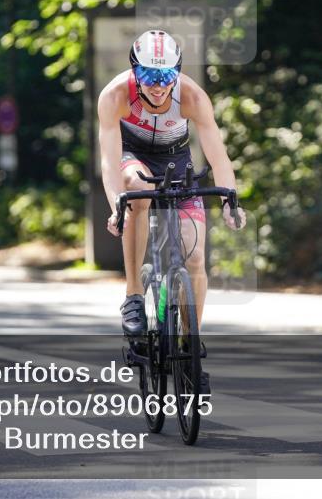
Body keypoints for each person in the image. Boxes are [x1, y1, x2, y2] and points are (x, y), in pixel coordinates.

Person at [97, 29, 245, 391]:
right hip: (132, 157)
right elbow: (110, 160)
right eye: (149, 75)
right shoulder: (115, 96)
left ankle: (189, 344)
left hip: (176, 161)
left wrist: (231, 201)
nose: (158, 85)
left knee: (195, 257)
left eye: (166, 76)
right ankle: (134, 294)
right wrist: (116, 205)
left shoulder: (191, 95)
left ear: (177, 72)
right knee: (138, 189)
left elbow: (218, 156)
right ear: (135, 72)